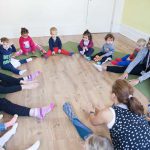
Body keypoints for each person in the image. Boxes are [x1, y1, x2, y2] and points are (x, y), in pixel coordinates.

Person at [85, 79, 150, 149]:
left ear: (113, 95)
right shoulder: (135, 105)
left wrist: (91, 112)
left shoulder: (108, 113)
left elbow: (93, 122)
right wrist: (101, 113)